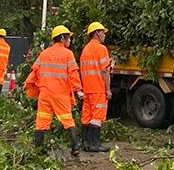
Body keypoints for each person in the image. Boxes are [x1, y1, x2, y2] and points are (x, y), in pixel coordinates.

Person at [27, 25, 84, 157]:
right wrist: (78, 90)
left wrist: (29, 85)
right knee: (67, 120)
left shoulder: (44, 53)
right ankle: (75, 147)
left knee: (42, 121)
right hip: (60, 94)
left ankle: (38, 149)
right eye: (69, 38)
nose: (70, 40)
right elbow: (73, 74)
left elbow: (35, 71)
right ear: (63, 38)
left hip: (45, 94)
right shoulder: (68, 54)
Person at [79, 21, 112, 153]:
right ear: (97, 33)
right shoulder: (101, 49)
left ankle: (85, 143)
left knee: (87, 116)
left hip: (87, 88)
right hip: (98, 87)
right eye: (103, 32)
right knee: (97, 117)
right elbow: (104, 71)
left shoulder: (85, 49)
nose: (104, 35)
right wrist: (108, 89)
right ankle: (95, 144)